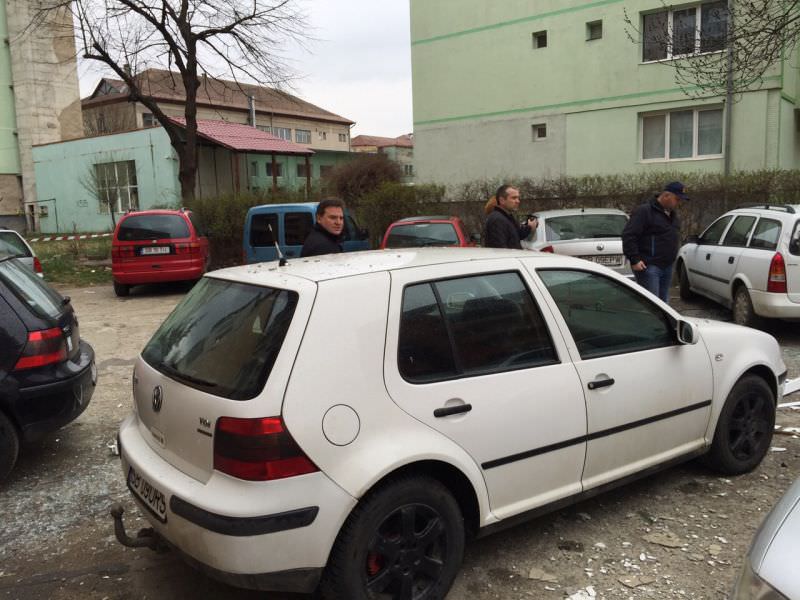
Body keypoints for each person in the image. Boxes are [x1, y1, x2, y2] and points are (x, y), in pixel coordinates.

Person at [622, 181, 690, 303]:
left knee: (663, 304)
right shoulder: (645, 211)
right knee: (652, 304)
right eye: (677, 199)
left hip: (667, 266)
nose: (679, 203)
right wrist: (634, 259)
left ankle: (663, 322)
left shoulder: (672, 215)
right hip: (650, 267)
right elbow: (629, 235)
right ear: (666, 195)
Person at [484, 184, 538, 249]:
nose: (518, 201)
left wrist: (529, 227)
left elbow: (517, 235)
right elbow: (500, 250)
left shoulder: (507, 217)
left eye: (518, 198)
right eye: (514, 198)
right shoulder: (497, 220)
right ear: (502, 200)